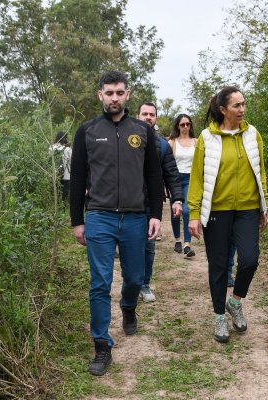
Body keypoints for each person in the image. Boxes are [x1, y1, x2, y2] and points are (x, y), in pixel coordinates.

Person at [70, 71, 164, 376]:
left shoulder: (142, 131)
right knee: (99, 283)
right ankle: (101, 345)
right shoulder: (86, 132)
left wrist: (155, 215)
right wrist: (77, 221)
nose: (114, 98)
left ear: (127, 94)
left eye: (119, 93)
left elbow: (154, 175)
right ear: (100, 95)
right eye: (109, 93)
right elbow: (78, 179)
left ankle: (128, 307)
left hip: (136, 217)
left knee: (135, 278)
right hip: (99, 215)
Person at [188, 86, 268, 343]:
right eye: (236, 106)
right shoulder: (206, 137)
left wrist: (264, 205)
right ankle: (219, 316)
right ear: (223, 110)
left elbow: (261, 171)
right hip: (217, 211)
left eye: (243, 104)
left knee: (249, 259)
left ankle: (235, 302)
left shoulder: (252, 134)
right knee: (219, 266)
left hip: (247, 209)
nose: (242, 109)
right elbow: (197, 178)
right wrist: (193, 213)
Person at [137, 102, 184, 302]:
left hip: (150, 205)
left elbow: (172, 174)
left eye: (152, 114)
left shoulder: (162, 145)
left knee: (149, 247)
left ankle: (144, 284)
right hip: (126, 205)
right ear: (138, 116)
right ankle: (131, 281)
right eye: (144, 114)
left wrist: (177, 200)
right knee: (130, 246)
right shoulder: (124, 139)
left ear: (156, 118)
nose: (148, 117)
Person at [168, 114, 197, 258]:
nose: (185, 127)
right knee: (176, 211)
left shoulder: (196, 142)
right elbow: (166, 163)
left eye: (188, 124)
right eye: (182, 124)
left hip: (190, 179)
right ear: (177, 126)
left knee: (186, 210)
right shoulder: (172, 142)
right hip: (175, 178)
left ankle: (187, 244)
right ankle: (177, 240)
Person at [49, 131, 72, 204]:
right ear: (65, 138)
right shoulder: (67, 149)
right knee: (64, 193)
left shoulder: (51, 147)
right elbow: (72, 161)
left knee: (56, 192)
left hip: (55, 174)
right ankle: (63, 208)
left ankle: (56, 206)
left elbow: (50, 161)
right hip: (66, 175)